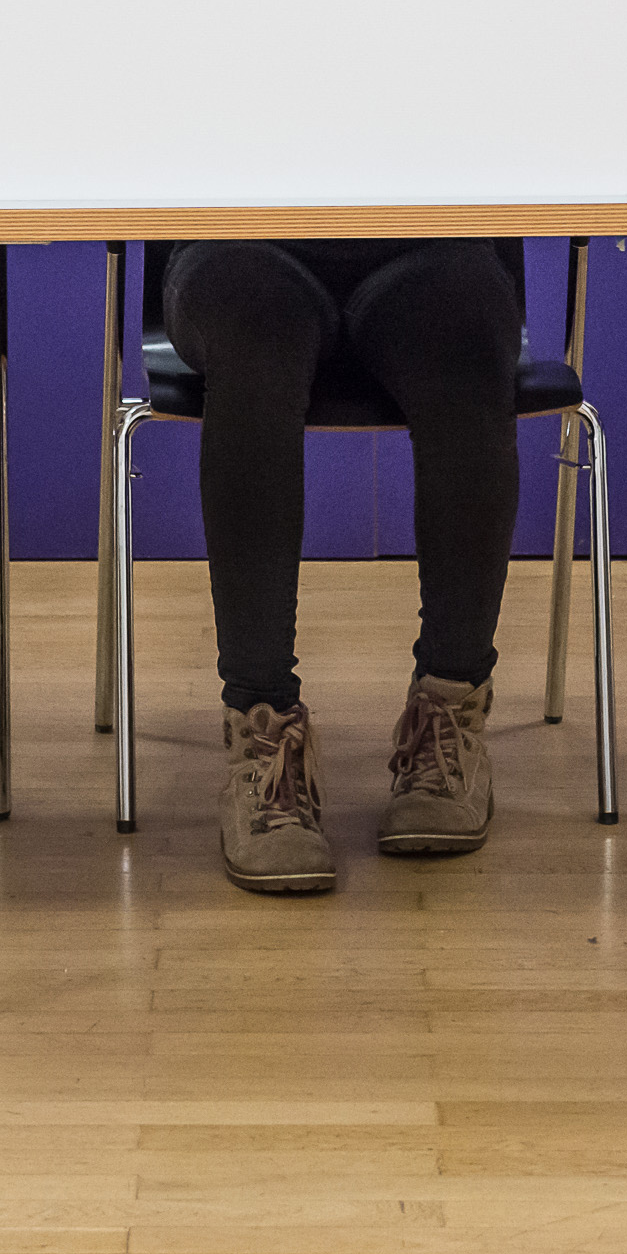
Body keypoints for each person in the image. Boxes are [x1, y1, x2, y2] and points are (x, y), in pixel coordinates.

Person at [160, 236, 529, 894]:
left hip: (435, 241)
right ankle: (261, 733)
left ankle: (451, 711)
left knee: (465, 325)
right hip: (239, 242)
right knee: (253, 323)